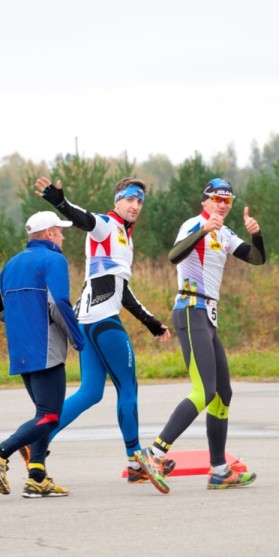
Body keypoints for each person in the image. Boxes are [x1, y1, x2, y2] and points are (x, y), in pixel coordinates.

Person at [33, 176, 173, 484]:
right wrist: (59, 202)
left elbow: (120, 288)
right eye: (131, 199)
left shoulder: (124, 236)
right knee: (128, 387)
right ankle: (136, 460)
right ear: (118, 200)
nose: (136, 205)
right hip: (102, 318)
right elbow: (84, 219)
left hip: (90, 317)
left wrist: (149, 321)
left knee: (90, 392)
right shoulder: (107, 225)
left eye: (140, 201)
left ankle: (36, 440)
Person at [134, 178, 266, 494]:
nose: (222, 204)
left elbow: (257, 259)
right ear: (205, 201)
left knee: (223, 392)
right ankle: (154, 453)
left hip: (207, 315)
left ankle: (219, 469)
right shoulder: (194, 224)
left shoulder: (225, 232)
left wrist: (257, 235)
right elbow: (174, 255)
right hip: (190, 309)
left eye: (228, 200)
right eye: (217, 199)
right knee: (203, 390)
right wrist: (203, 231)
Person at [0, 210, 85, 498]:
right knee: (50, 417)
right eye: (60, 231)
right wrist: (78, 338)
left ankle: (37, 476)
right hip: (45, 347)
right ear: (49, 233)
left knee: (43, 415)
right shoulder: (53, 259)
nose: (63, 236)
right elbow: (59, 303)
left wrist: (22, 323)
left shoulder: (11, 263)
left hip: (20, 349)